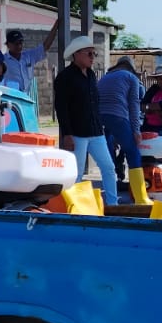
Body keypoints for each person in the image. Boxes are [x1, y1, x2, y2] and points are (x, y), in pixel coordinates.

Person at [52, 35, 118, 206]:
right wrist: (67, 134)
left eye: (93, 53)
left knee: (109, 167)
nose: (92, 57)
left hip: (96, 131)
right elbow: (61, 108)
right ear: (76, 54)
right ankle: (74, 207)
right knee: (77, 173)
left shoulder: (91, 75)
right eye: (89, 53)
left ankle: (113, 204)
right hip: (77, 133)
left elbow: (95, 103)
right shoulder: (64, 77)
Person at [99, 55, 148, 204]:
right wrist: (136, 131)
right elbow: (134, 106)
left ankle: (111, 197)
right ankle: (141, 198)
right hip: (118, 117)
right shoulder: (131, 78)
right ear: (131, 68)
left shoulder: (105, 77)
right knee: (133, 152)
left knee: (108, 159)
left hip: (98, 118)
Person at [3, 26, 56, 95]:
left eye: (20, 43)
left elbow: (45, 46)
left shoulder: (29, 56)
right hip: (11, 98)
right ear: (8, 45)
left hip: (27, 97)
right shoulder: (3, 60)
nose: (19, 46)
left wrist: (56, 26)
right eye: (16, 43)